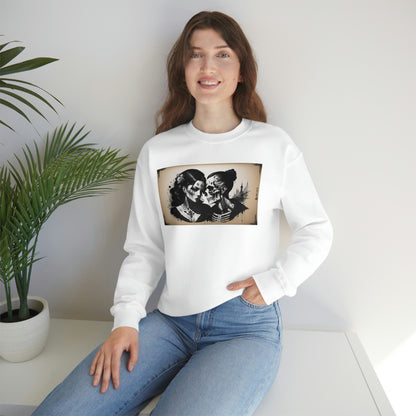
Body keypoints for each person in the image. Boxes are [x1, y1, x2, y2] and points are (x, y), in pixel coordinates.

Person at [32, 10, 333, 416]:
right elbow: (145, 250)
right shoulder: (160, 151)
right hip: (170, 322)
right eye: (196, 55)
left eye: (222, 55)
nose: (208, 66)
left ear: (241, 69)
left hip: (244, 328)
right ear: (183, 69)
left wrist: (277, 281)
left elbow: (316, 228)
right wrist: (126, 320)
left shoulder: (273, 145)